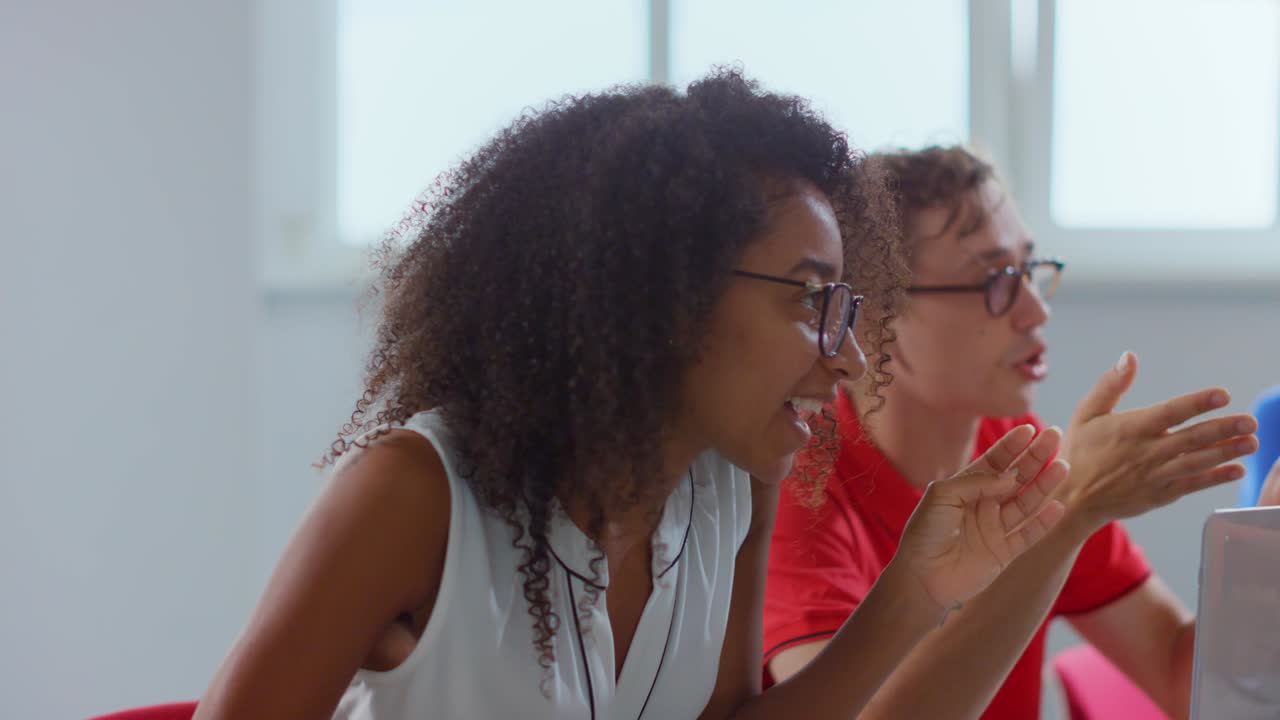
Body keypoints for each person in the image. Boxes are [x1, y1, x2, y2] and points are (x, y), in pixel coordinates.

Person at [193, 74, 1070, 720]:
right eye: (809, 299)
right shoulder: (414, 493)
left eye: (844, 307)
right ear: (664, 295)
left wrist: (916, 587)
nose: (845, 360)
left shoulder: (731, 484)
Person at [763, 145, 1261, 719]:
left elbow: (1181, 678)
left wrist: (1264, 566)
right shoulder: (800, 480)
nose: (1035, 311)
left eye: (1029, 271)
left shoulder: (1019, 449)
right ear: (873, 319)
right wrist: (1070, 513)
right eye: (995, 282)